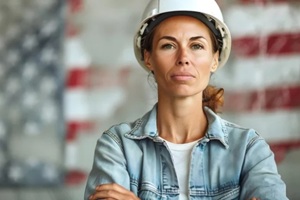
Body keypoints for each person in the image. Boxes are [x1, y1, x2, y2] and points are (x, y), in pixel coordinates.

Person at [84, 0, 288, 199]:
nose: (183, 57)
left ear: (214, 59)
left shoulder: (249, 150)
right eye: (168, 45)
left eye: (197, 46)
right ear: (148, 58)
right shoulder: (117, 146)